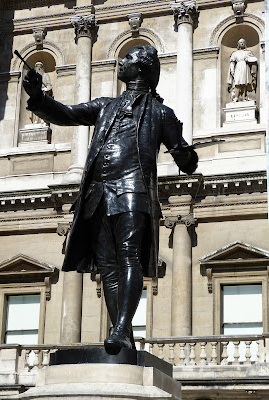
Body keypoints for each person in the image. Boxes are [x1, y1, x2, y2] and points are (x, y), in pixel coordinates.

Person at [23, 45, 198, 354]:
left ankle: (119, 329)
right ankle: (124, 333)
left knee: (129, 256)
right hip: (99, 192)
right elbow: (67, 113)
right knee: (107, 267)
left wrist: (183, 147)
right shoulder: (106, 106)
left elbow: (187, 162)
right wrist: (38, 98)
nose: (122, 61)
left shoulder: (160, 113)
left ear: (142, 68)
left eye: (129, 58)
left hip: (134, 190)